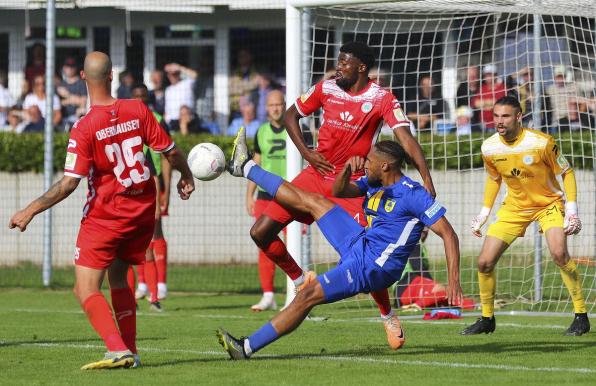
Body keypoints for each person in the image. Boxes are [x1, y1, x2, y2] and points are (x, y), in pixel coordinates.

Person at [8, 51, 195, 370]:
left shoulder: (84, 126)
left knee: (84, 288)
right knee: (119, 276)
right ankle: (131, 351)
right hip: (142, 211)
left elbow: (69, 184)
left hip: (107, 216)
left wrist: (30, 209)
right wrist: (187, 176)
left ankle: (116, 348)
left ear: (83, 78)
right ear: (111, 76)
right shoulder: (138, 109)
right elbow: (171, 151)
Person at [249, 41, 436, 350]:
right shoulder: (326, 88)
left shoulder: (381, 98)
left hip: (352, 185)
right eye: (339, 61)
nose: (338, 67)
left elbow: (405, 138)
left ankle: (387, 314)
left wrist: (427, 180)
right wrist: (307, 153)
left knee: (364, 257)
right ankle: (299, 280)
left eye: (344, 62)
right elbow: (291, 117)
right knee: (260, 231)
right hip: (315, 175)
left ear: (361, 67)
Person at [217, 132, 462, 359]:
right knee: (315, 201)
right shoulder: (375, 182)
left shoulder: (413, 194)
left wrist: (454, 281)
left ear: (385, 166)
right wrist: (346, 169)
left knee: (307, 297)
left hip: (372, 267)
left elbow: (449, 235)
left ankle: (245, 347)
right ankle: (246, 166)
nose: (365, 164)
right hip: (360, 242)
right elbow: (339, 191)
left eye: (370, 160)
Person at [462, 96, 589, 336]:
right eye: (496, 116)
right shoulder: (489, 147)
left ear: (519, 116)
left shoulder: (541, 143)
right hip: (515, 208)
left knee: (559, 253)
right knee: (484, 262)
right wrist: (483, 213)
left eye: (505, 116)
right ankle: (487, 319)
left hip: (548, 204)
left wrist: (571, 210)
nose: (499, 121)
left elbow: (567, 172)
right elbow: (494, 179)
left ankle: (581, 315)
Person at [129, 83, 174, 309]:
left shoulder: (157, 118)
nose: (139, 100)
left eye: (142, 97)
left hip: (151, 186)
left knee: (154, 233)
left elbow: (167, 155)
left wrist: (166, 188)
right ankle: (143, 285)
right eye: (135, 96)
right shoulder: (125, 122)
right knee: (132, 243)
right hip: (129, 189)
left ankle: (159, 286)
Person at [246, 90, 287, 312]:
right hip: (264, 196)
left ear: (284, 105)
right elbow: (257, 163)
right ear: (267, 108)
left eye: (279, 104)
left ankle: (296, 293)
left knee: (294, 247)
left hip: (291, 196)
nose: (275, 108)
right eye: (271, 105)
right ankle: (268, 295)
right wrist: (248, 194)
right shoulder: (261, 132)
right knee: (264, 245)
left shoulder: (297, 129)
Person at [471, 64, 506, 130]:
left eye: (490, 74)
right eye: (486, 75)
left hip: (499, 123)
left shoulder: (502, 87)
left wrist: (484, 104)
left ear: (495, 75)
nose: (488, 77)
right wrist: (490, 103)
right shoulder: (482, 88)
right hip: (483, 124)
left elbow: (499, 104)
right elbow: (475, 103)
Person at [56, 57, 87, 130]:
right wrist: (75, 100)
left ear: (75, 68)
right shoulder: (61, 84)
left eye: (72, 66)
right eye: (67, 66)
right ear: (64, 68)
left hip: (76, 118)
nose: (69, 69)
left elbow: (83, 102)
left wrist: (67, 95)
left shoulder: (81, 83)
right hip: (62, 119)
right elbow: (57, 104)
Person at [229, 48, 258, 120]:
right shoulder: (233, 73)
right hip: (236, 110)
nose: (242, 58)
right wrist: (249, 87)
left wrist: (238, 87)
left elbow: (257, 84)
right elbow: (230, 89)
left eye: (245, 55)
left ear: (250, 56)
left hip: (251, 111)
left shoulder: (256, 71)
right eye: (240, 56)